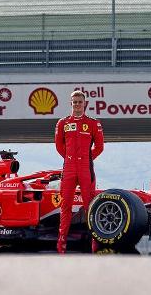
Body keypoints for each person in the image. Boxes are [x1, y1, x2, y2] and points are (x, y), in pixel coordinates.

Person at [55, 90, 104, 254]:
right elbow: (59, 146)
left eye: (80, 102)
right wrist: (70, 158)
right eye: (74, 102)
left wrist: (87, 158)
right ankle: (62, 240)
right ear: (71, 104)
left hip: (85, 168)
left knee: (89, 205)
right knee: (65, 205)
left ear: (85, 104)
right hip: (68, 167)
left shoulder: (93, 123)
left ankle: (94, 241)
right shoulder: (62, 123)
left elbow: (100, 147)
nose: (77, 104)